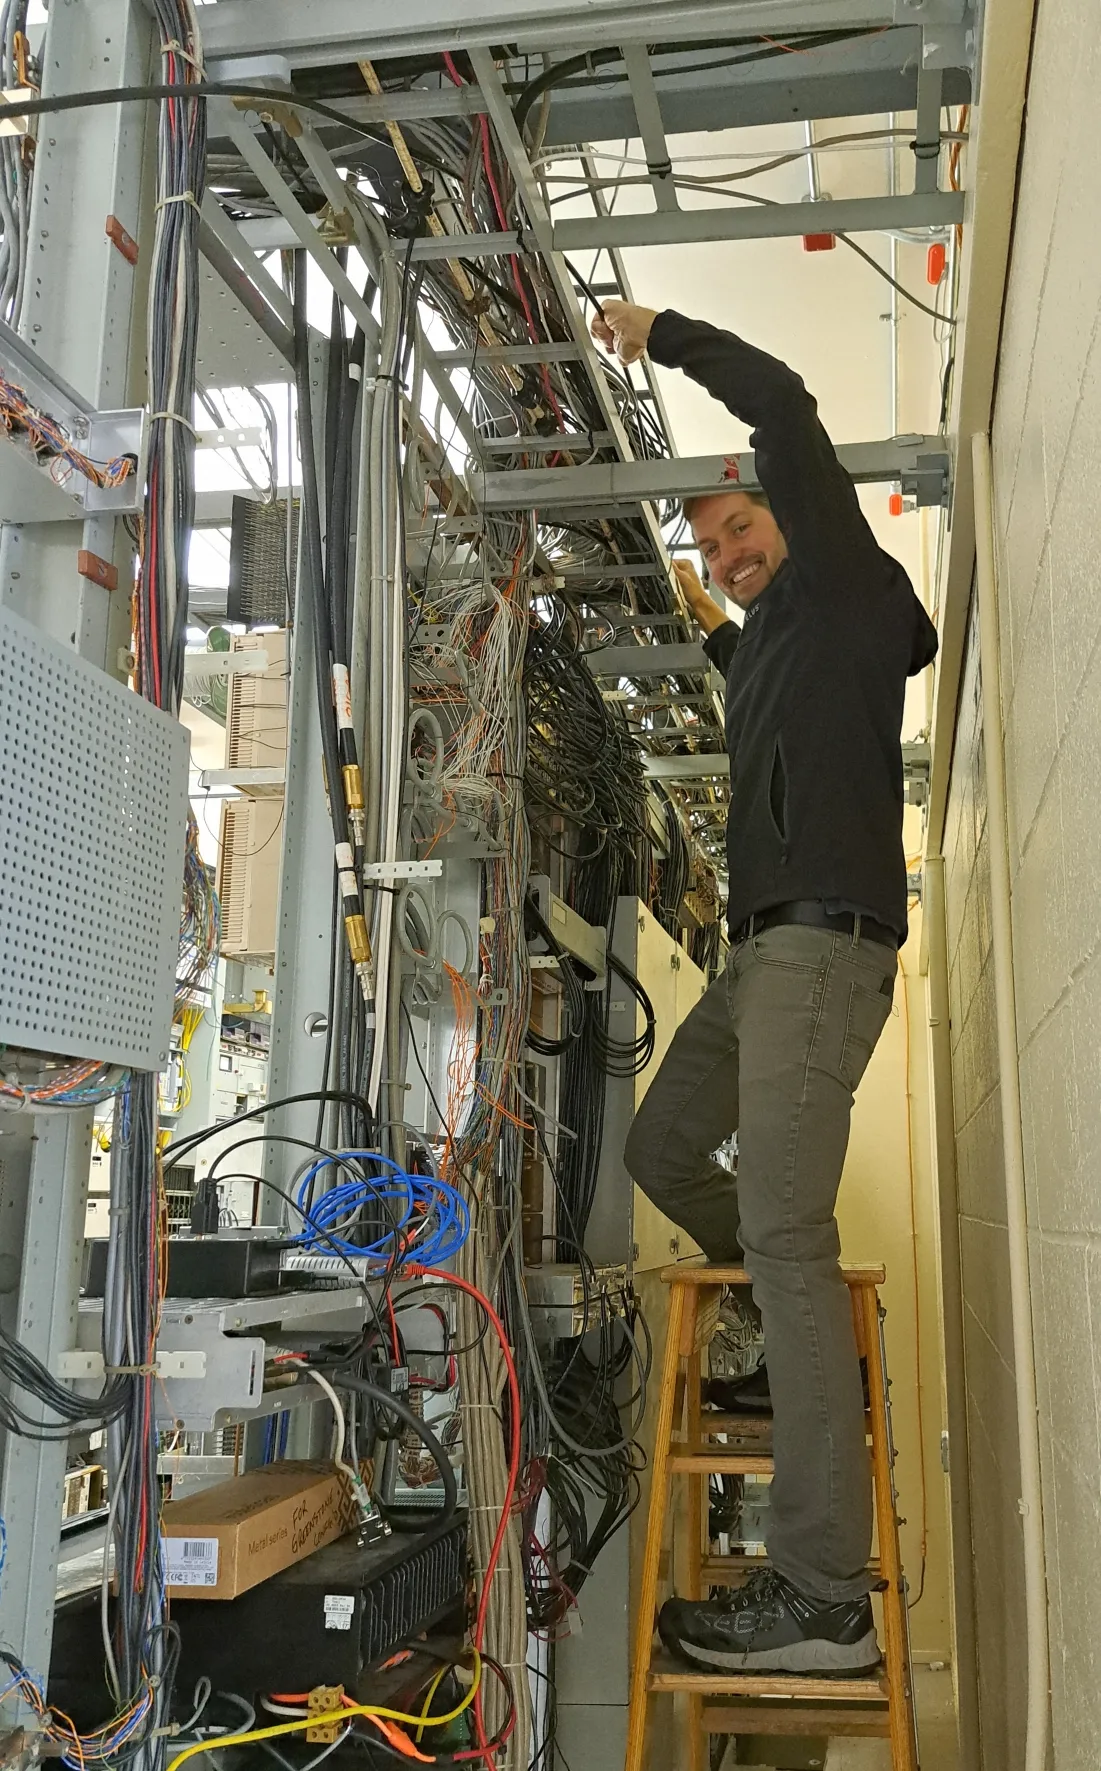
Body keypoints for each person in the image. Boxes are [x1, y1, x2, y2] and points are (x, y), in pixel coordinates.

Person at [591, 299, 938, 1676]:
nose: (727, 558)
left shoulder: (844, 584)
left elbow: (785, 402)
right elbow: (756, 676)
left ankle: (822, 1595)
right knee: (661, 1143)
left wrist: (660, 331)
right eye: (712, 552)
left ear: (788, 519)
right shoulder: (778, 646)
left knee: (789, 1236)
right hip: (760, 962)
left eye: (738, 531)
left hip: (822, 947)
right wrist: (683, 615)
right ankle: (781, 1348)